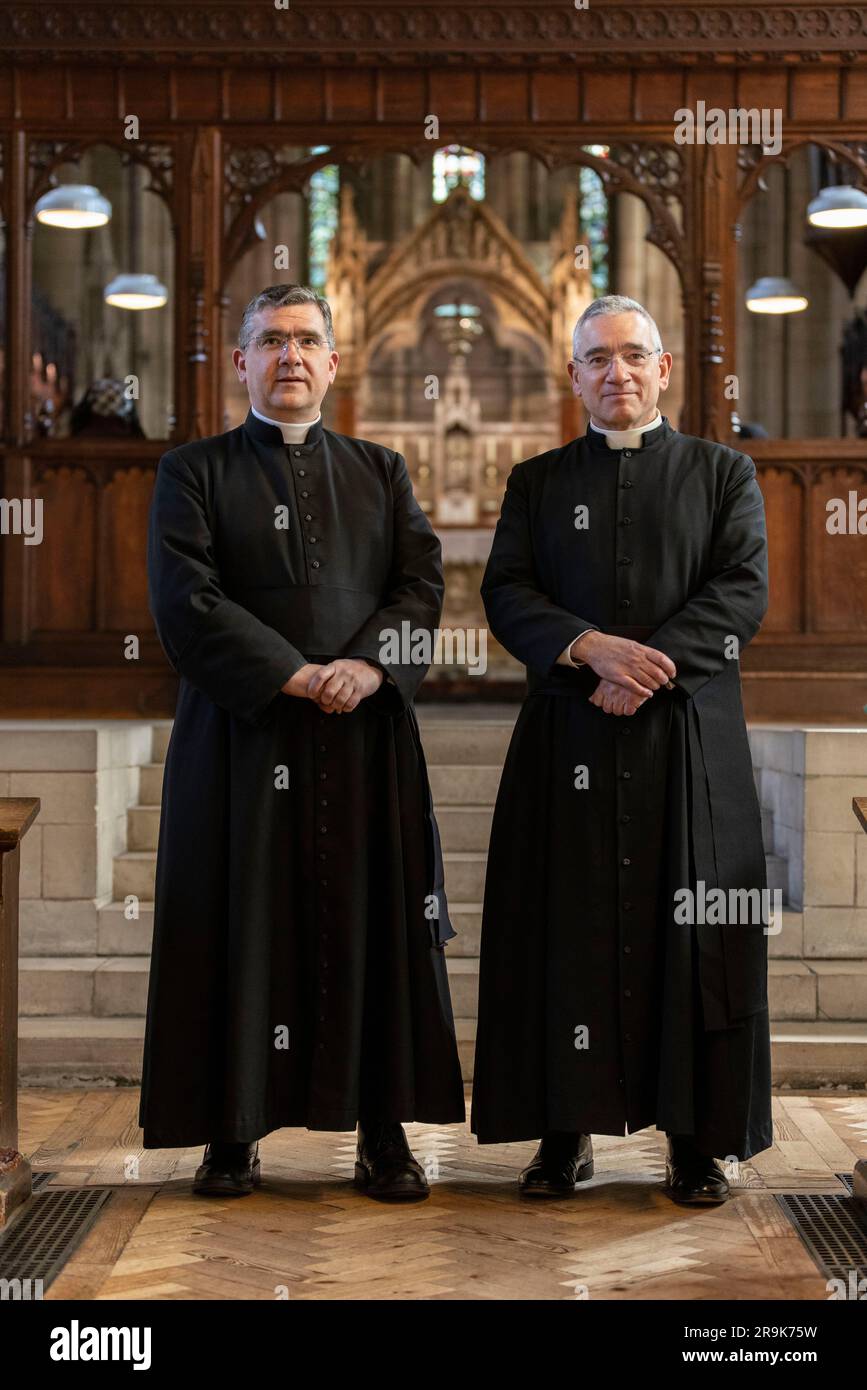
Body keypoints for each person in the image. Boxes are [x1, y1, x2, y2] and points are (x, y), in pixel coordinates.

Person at [139, 283, 465, 1202]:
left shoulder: (382, 469)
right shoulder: (192, 471)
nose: (290, 355)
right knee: (237, 921)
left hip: (363, 736)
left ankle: (383, 1133)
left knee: (377, 925)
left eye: (307, 341)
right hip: (242, 736)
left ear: (333, 362)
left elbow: (419, 588)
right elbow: (186, 599)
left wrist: (365, 669)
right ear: (241, 361)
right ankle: (230, 1131)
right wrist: (294, 674)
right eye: (270, 340)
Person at [471, 294, 772, 1205]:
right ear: (573, 377)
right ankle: (561, 1136)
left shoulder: (724, 474)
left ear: (664, 368)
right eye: (597, 360)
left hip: (687, 740)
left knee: (696, 940)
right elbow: (507, 591)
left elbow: (740, 593)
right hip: (569, 735)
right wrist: (585, 648)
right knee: (565, 930)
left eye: (633, 356)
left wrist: (640, 665)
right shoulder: (536, 481)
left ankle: (695, 1142)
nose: (617, 374)